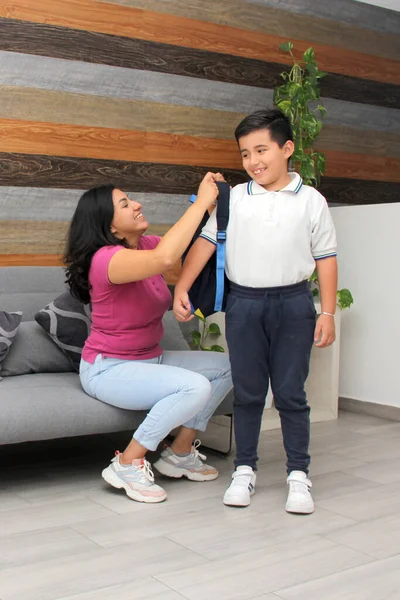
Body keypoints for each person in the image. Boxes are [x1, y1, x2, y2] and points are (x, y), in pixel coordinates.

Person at [174, 108, 338, 514]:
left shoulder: (311, 201)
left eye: (261, 150)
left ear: (287, 149)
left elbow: (326, 258)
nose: (253, 161)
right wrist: (181, 285)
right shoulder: (234, 200)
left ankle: (298, 475)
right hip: (244, 305)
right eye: (245, 153)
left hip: (295, 304)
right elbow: (206, 245)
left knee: (289, 393)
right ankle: (244, 470)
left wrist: (328, 312)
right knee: (248, 393)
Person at [64, 173, 233, 504]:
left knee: (228, 365)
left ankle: (179, 453)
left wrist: (214, 208)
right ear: (110, 227)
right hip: (109, 368)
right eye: (125, 204)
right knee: (194, 386)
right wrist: (199, 202)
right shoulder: (106, 260)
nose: (137, 204)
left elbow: (187, 249)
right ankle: (127, 462)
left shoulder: (145, 245)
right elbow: (165, 259)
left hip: (150, 358)